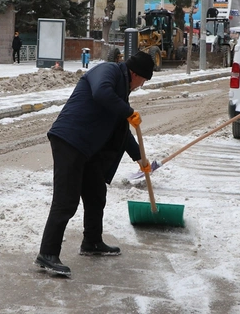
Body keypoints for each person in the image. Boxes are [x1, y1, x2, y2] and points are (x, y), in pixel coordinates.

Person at [34, 51, 155, 276]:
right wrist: (128, 112)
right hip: (69, 140)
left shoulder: (122, 90)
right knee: (66, 200)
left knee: (95, 193)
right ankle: (47, 253)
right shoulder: (107, 71)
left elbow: (122, 131)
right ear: (135, 73)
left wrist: (140, 158)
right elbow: (101, 93)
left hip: (87, 148)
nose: (142, 85)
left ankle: (92, 242)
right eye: (144, 80)